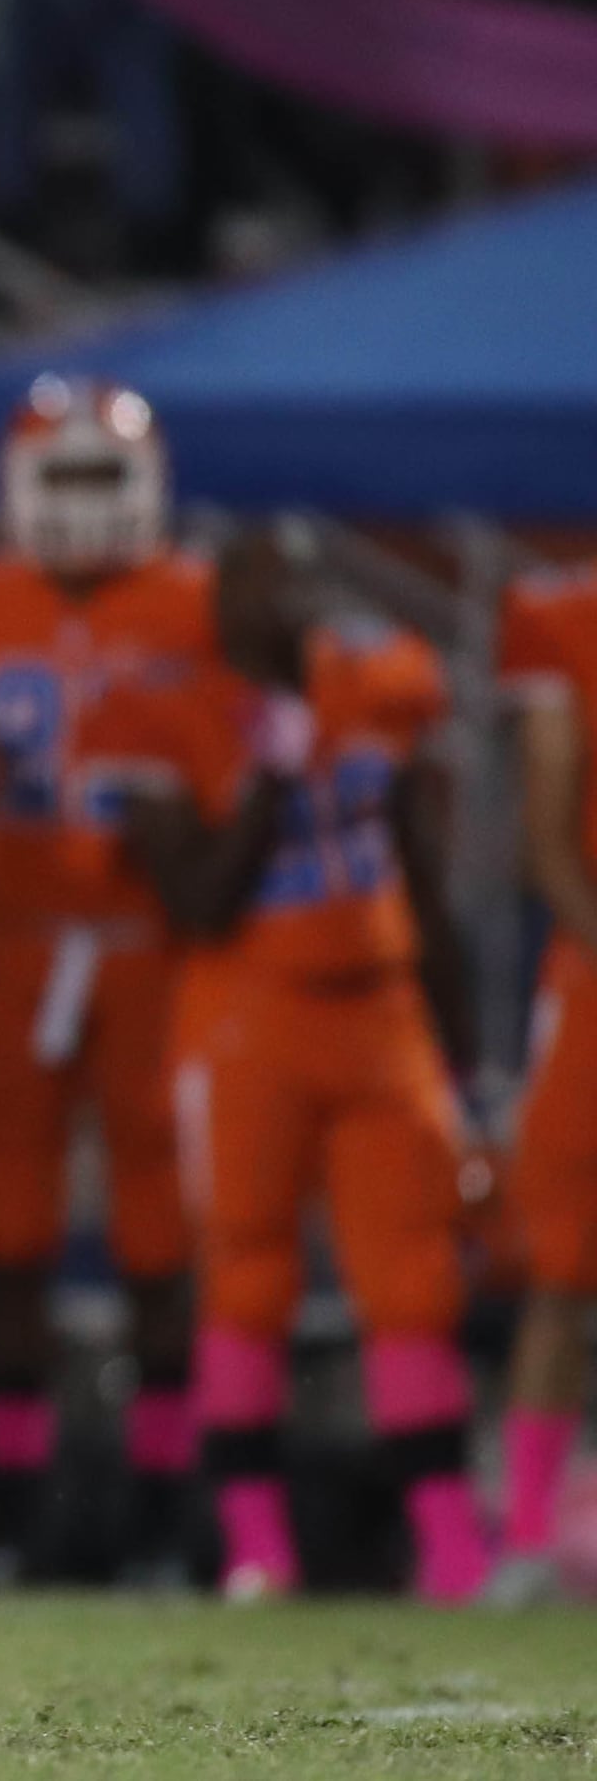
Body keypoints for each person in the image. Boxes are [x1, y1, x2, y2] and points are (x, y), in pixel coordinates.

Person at [98, 525, 490, 1605]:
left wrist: (465, 1061)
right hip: (244, 1017)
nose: (285, 605)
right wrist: (273, 769)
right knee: (248, 1276)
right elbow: (199, 903)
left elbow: (418, 868)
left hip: (380, 1007)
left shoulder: (380, 681)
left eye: (299, 580)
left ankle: (454, 1550)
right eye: (259, 583)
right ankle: (255, 1545)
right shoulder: (162, 708)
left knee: (412, 1284)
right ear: (216, 601)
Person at [0, 376, 211, 1577]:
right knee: (9, 1238)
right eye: (56, 477)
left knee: (160, 1248)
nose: (77, 505)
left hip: (151, 952)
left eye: (97, 476)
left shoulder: (199, 601)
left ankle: (170, 1509)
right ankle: (12, 1508)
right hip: (20, 949)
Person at [494, 555, 597, 1605]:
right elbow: (548, 835)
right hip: (594, 976)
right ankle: (526, 1532)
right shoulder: (565, 614)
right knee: (563, 1271)